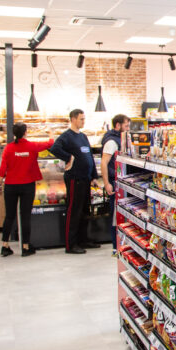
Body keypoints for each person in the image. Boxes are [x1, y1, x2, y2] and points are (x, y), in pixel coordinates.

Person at [0, 124, 54, 257]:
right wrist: (50, 133)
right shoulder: (32, 146)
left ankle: (5, 246)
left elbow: (3, 168)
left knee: (9, 216)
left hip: (10, 185)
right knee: (25, 216)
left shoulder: (8, 148)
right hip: (27, 185)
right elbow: (50, 143)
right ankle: (26, 247)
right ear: (25, 132)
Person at [49, 109, 98, 254]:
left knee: (84, 211)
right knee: (74, 212)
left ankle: (83, 240)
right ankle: (70, 244)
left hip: (86, 178)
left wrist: (94, 176)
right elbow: (54, 148)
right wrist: (69, 157)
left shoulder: (83, 136)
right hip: (74, 179)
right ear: (73, 119)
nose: (83, 121)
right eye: (81, 119)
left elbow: (90, 156)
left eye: (84, 118)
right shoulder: (66, 136)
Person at [101, 114, 130, 256]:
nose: (128, 128)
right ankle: (115, 247)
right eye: (126, 126)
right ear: (118, 125)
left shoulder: (121, 138)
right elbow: (104, 162)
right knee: (115, 217)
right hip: (114, 182)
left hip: (120, 181)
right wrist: (107, 183)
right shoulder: (112, 141)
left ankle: (122, 246)